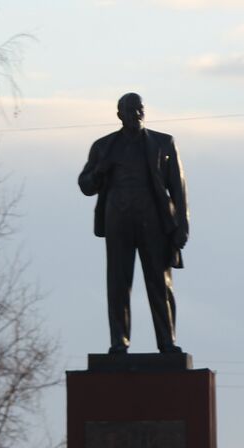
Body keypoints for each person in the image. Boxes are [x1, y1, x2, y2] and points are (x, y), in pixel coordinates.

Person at [78, 92, 189, 355]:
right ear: (120, 115)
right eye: (130, 110)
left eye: (140, 109)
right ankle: (120, 341)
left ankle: (167, 342)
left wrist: (182, 225)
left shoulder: (163, 143)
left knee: (160, 284)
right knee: (118, 284)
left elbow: (178, 188)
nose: (136, 114)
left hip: (154, 222)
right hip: (118, 221)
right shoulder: (104, 147)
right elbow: (85, 186)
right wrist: (101, 169)